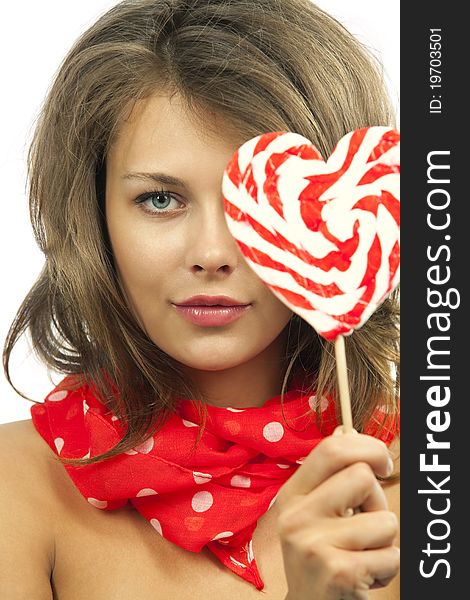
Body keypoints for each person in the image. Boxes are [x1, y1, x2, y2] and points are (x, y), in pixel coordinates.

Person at [0, 0, 400, 598]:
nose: (212, 252)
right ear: (95, 217)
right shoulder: (18, 487)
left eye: (254, 202)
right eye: (161, 199)